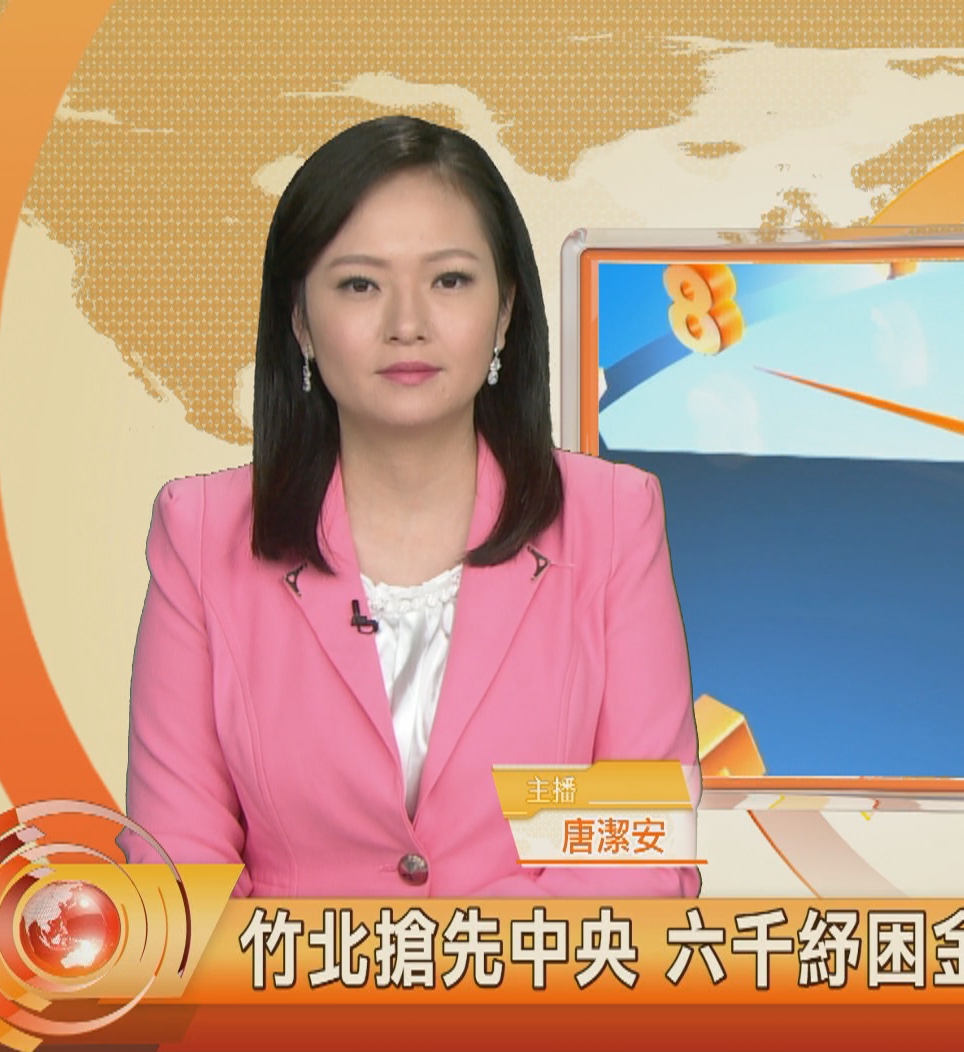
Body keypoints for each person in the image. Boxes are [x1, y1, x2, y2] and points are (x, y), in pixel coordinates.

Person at [120, 115, 701, 898]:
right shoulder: (199, 533)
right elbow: (180, 871)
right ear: (300, 321)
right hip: (277, 982)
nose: (407, 325)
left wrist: (454, 961)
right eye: (360, 284)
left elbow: (639, 856)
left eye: (449, 280)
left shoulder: (612, 520)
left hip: (541, 981)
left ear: (505, 312)